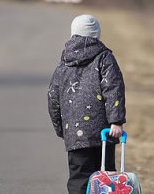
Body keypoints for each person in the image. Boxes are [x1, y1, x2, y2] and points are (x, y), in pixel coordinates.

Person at [48, 14, 126, 194]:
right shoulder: (104, 58)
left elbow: (53, 97)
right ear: (96, 34)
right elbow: (113, 88)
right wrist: (116, 121)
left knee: (79, 178)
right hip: (103, 133)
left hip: (75, 134)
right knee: (104, 177)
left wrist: (61, 128)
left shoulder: (64, 62)